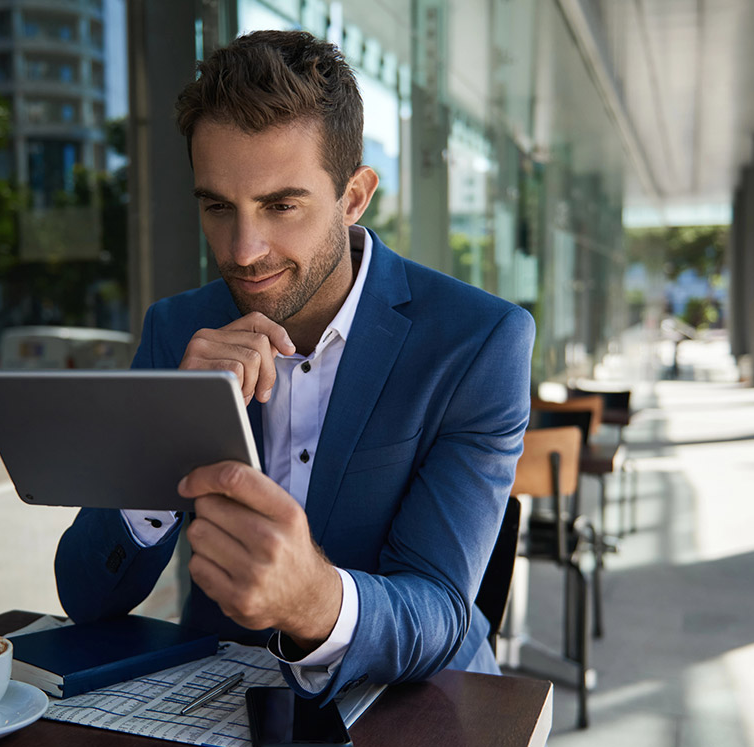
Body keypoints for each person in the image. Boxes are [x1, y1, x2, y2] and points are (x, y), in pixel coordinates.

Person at [55, 29, 534, 703]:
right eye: (218, 207)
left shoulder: (478, 342)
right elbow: (83, 595)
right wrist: (166, 443)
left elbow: (440, 611)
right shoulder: (177, 330)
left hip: (419, 709)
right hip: (217, 701)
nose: (244, 250)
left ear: (355, 196)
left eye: (281, 205)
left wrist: (315, 600)